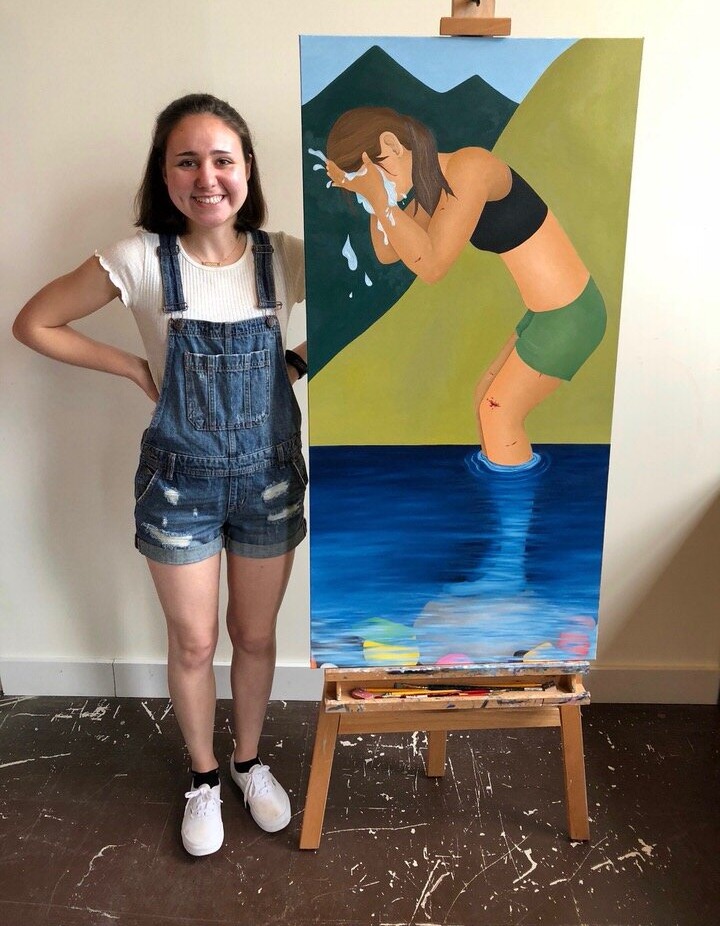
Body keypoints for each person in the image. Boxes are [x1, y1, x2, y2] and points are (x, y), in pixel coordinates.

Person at [12, 94, 308, 856]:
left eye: (222, 159)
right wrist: (132, 367)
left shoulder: (284, 255)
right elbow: (33, 321)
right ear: (165, 174)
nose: (207, 177)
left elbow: (376, 297)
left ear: (247, 169)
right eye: (187, 161)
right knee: (193, 641)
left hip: (270, 480)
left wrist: (297, 363)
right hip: (179, 486)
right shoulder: (141, 259)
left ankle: (248, 762)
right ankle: (204, 776)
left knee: (254, 634)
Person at [324, 107, 606, 467]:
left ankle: (515, 501)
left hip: (572, 314)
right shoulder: (434, 191)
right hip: (544, 314)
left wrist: (380, 198)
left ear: (392, 144)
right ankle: (500, 489)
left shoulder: (470, 167)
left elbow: (432, 266)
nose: (385, 187)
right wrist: (374, 199)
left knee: (499, 414)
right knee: (484, 400)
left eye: (378, 175)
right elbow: (388, 252)